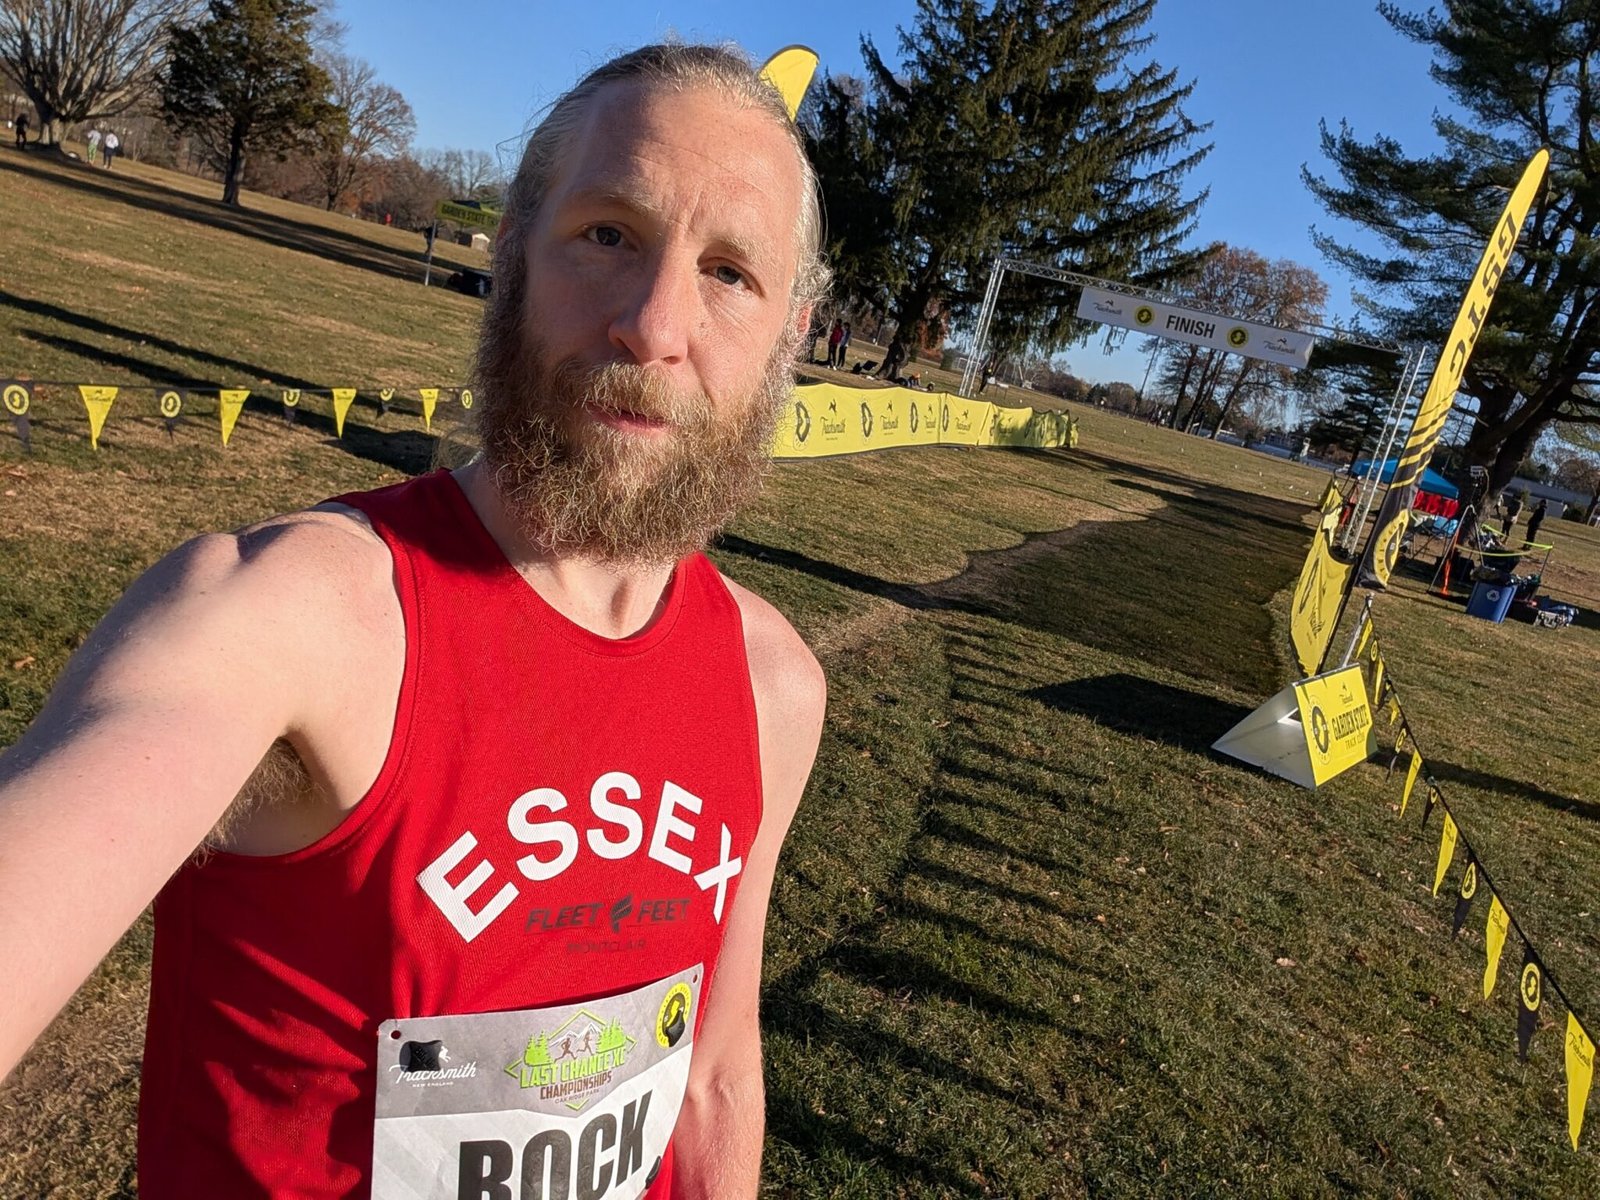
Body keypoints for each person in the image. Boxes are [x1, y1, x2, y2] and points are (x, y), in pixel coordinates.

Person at [0, 42, 830, 1199]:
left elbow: (711, 1076)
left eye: (730, 271)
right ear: (512, 259)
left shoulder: (774, 688)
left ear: (792, 332)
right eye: (608, 235)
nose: (655, 324)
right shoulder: (294, 621)